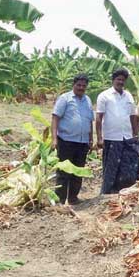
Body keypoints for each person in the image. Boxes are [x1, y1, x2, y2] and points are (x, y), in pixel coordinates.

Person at [51, 73, 94, 204]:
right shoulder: (65, 98)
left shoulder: (88, 100)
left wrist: (91, 139)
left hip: (82, 142)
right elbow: (55, 118)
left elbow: (89, 121)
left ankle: (73, 198)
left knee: (78, 171)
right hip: (66, 140)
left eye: (84, 86)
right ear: (73, 85)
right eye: (79, 85)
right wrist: (54, 139)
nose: (81, 88)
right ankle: (60, 199)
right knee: (64, 172)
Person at [96, 68, 139, 194]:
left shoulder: (128, 96)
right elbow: (98, 118)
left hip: (127, 137)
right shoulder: (104, 96)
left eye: (123, 80)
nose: (120, 82)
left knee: (127, 168)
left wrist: (135, 134)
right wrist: (99, 138)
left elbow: (133, 116)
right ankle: (107, 193)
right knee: (110, 168)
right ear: (113, 80)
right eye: (118, 79)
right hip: (111, 137)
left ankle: (123, 192)